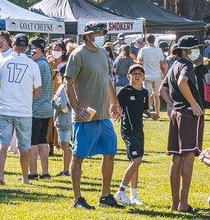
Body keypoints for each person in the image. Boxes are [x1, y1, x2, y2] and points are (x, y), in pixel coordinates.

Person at [65, 21, 124, 209]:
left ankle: (105, 196)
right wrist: (76, 109)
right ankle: (78, 199)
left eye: (103, 32)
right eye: (98, 32)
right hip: (85, 117)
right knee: (78, 157)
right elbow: (67, 83)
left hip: (104, 115)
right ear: (87, 35)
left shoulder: (103, 53)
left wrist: (115, 103)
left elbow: (106, 79)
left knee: (110, 153)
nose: (101, 35)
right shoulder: (78, 55)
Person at [0, 33, 41, 185]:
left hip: (4, 109)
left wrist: (2, 93)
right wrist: (26, 97)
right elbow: (38, 91)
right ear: (27, 48)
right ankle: (25, 178)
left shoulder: (2, 62)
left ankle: (0, 175)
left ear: (12, 45)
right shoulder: (33, 65)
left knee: (2, 144)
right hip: (24, 110)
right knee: (24, 146)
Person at [166, 36, 205, 213]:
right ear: (184, 50)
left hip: (177, 113)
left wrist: (174, 105)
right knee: (188, 157)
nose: (196, 51)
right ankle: (183, 203)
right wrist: (193, 103)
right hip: (189, 114)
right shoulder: (187, 65)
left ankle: (175, 203)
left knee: (176, 158)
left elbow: (162, 90)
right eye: (193, 48)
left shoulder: (173, 65)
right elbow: (182, 83)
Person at [115, 64, 154, 206]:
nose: (137, 76)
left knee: (136, 161)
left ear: (143, 77)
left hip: (139, 130)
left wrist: (150, 114)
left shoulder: (144, 93)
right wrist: (117, 111)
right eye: (134, 73)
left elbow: (143, 110)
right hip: (128, 130)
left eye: (140, 74)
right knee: (136, 160)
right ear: (128, 76)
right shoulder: (125, 91)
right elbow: (116, 105)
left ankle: (134, 196)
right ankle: (120, 191)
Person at [28, 36, 55, 180]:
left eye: (31, 48)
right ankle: (45, 172)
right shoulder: (46, 64)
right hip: (46, 108)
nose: (28, 51)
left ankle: (32, 172)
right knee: (42, 140)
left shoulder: (38, 65)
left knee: (32, 142)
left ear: (38, 49)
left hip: (36, 108)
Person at [51, 63, 73, 177]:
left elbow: (63, 104)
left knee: (65, 145)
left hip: (64, 120)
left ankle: (67, 169)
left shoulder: (63, 87)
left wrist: (54, 101)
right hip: (65, 119)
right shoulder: (69, 85)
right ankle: (71, 167)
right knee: (63, 144)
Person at [137, 34, 166, 116]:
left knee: (147, 95)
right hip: (157, 75)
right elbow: (162, 64)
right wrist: (163, 73)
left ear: (147, 40)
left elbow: (140, 61)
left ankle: (147, 112)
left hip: (147, 75)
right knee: (156, 96)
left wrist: (145, 62)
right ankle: (157, 113)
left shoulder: (143, 50)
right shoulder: (159, 50)